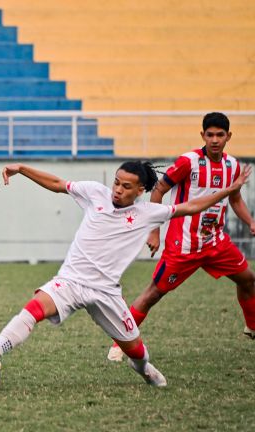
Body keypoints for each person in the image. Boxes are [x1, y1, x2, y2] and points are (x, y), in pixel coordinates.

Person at [0, 160, 251, 388]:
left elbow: (190, 206)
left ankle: (144, 370)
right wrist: (22, 168)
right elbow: (56, 184)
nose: (117, 189)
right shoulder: (94, 192)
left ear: (140, 191)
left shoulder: (148, 212)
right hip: (71, 281)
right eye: (116, 182)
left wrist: (229, 190)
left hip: (106, 293)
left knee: (136, 350)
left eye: (126, 186)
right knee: (33, 309)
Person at [107, 112, 255, 361]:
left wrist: (250, 221)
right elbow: (159, 190)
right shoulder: (189, 162)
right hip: (183, 245)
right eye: (210, 135)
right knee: (153, 293)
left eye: (220, 135)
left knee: (248, 280)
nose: (215, 139)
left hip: (215, 241)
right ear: (202, 136)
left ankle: (252, 326)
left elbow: (235, 198)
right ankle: (119, 342)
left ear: (229, 136)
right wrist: (154, 231)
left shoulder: (233, 166)